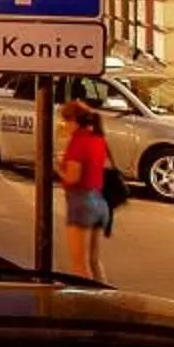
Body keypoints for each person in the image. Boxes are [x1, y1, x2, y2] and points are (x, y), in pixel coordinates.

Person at [56, 98, 113, 278]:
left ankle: (85, 304)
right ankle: (105, 300)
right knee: (94, 260)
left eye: (66, 120)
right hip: (99, 201)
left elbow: (73, 177)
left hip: (81, 203)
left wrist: (58, 168)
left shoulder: (77, 142)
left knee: (79, 265)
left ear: (74, 121)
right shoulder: (98, 138)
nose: (64, 124)